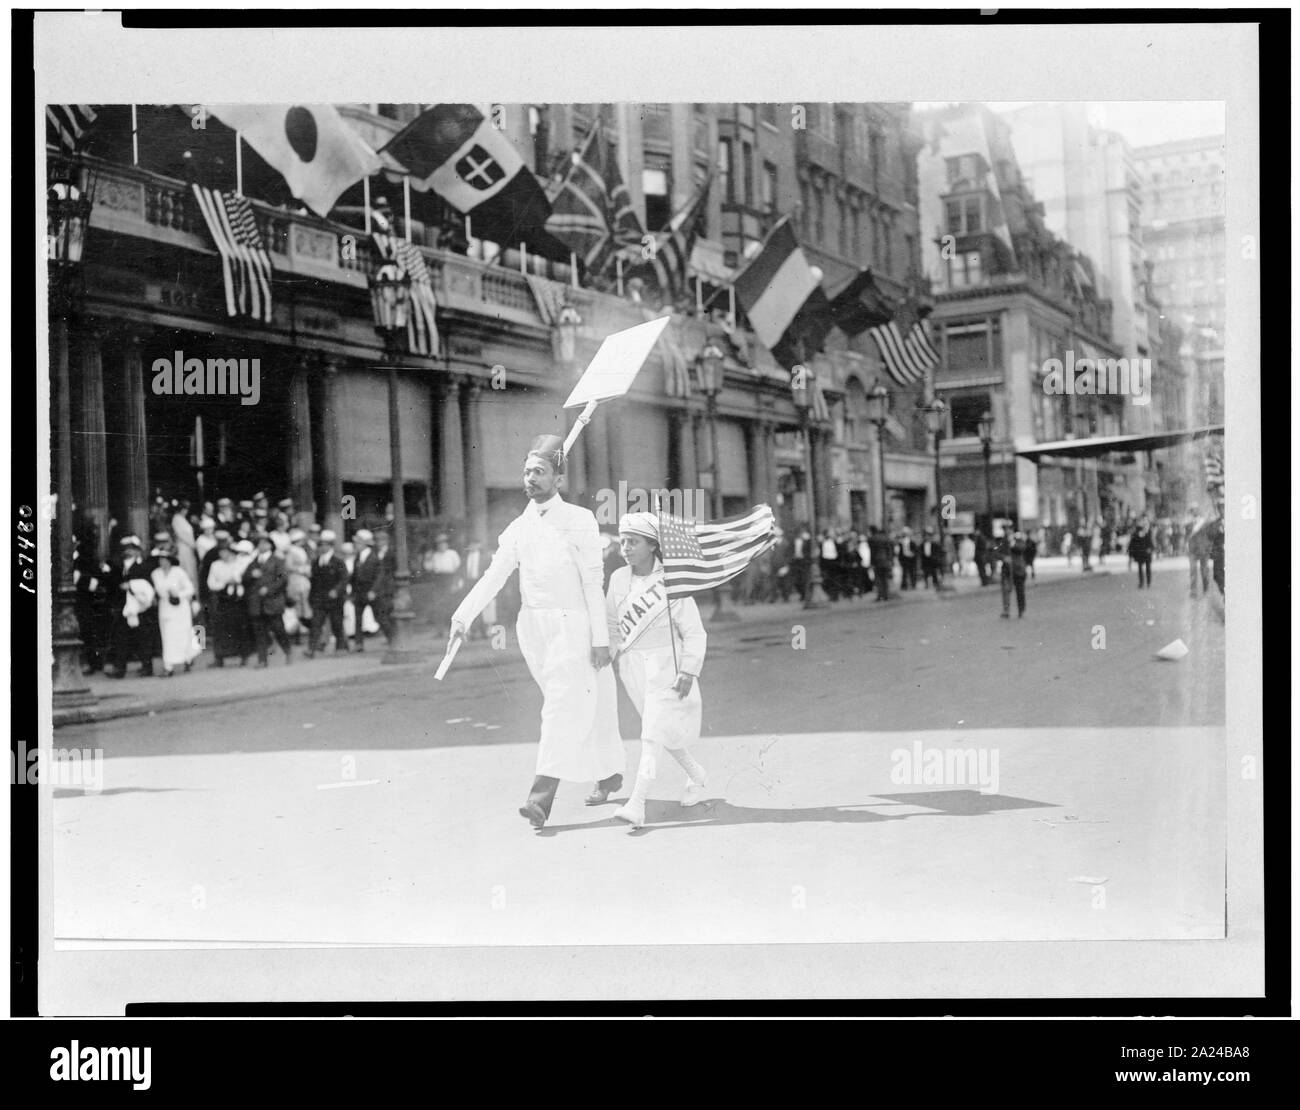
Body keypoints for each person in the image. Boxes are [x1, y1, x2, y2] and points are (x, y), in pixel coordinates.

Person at [448, 434, 625, 830]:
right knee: (582, 702)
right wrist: (463, 616)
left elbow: (593, 584)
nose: (530, 478)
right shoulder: (518, 528)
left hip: (573, 625)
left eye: (540, 472)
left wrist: (600, 639)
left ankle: (540, 798)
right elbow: (494, 575)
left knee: (561, 707)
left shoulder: (580, 520)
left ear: (558, 479)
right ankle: (610, 770)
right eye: (527, 471)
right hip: (534, 628)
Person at [605, 512, 710, 828]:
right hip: (633, 665)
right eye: (622, 541)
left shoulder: (672, 581)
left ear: (651, 546)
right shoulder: (618, 579)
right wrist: (610, 652)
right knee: (660, 728)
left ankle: (636, 804)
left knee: (651, 733)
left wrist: (689, 670)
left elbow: (693, 631)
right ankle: (696, 773)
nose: (625, 548)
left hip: (668, 663)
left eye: (633, 542)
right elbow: (612, 622)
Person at [106, 536, 157, 678]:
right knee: (121, 639)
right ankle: (119, 669)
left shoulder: (143, 567)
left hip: (140, 609)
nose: (128, 552)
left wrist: (131, 586)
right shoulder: (118, 567)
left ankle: (147, 668)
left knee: (143, 639)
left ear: (137, 551)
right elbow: (113, 585)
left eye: (131, 549)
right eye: (126, 549)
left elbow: (148, 588)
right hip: (123, 609)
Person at [245, 532, 292, 667]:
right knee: (260, 633)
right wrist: (250, 575)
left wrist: (269, 589)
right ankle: (262, 660)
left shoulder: (277, 561)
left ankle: (287, 650)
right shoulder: (253, 562)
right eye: (259, 543)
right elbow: (244, 578)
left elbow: (282, 579)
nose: (261, 546)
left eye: (264, 543)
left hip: (273, 601)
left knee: (278, 629)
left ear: (270, 546)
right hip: (257, 603)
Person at [150, 545, 198, 677]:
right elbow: (158, 591)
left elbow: (190, 589)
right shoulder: (155, 574)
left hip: (181, 608)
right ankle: (168, 666)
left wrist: (178, 594)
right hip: (166, 608)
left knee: (184, 634)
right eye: (160, 559)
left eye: (165, 559)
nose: (162, 562)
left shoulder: (178, 572)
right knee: (168, 637)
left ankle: (188, 659)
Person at [307, 530, 349, 656]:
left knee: (337, 623)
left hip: (334, 598)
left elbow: (344, 579)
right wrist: (312, 597)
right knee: (316, 624)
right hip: (319, 598)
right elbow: (313, 582)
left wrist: (336, 590)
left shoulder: (338, 561)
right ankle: (311, 649)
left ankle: (340, 647)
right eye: (320, 545)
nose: (322, 547)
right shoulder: (316, 562)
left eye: (325, 545)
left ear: (330, 546)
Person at [423, 533, 462, 636]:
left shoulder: (452, 554)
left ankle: (453, 629)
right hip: (439, 581)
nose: (442, 545)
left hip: (450, 579)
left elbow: (458, 570)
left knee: (451, 605)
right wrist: (428, 557)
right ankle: (440, 630)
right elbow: (428, 568)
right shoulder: (434, 555)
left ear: (447, 544)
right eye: (439, 544)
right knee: (439, 606)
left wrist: (456, 584)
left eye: (444, 543)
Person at [350, 529, 381, 652]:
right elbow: (354, 576)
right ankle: (359, 643)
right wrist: (352, 592)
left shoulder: (373, 557)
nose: (355, 545)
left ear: (364, 543)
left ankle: (392, 638)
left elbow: (378, 576)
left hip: (370, 591)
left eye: (358, 543)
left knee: (379, 616)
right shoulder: (358, 557)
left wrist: (374, 590)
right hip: (359, 592)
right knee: (358, 618)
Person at [284, 528, 313, 642]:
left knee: (305, 605)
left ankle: (306, 631)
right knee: (296, 606)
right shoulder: (291, 551)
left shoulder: (301, 550)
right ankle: (296, 635)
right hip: (295, 579)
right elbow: (288, 566)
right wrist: (300, 570)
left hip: (303, 579)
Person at [998, 529, 1030, 619]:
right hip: (1007, 570)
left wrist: (1012, 542)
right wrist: (1004, 557)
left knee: (1020, 592)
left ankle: (1021, 610)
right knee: (1006, 591)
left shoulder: (1018, 540)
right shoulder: (1003, 542)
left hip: (1018, 570)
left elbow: (1021, 549)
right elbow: (997, 551)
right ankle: (1006, 610)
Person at [868, 525, 894, 601]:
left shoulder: (872, 539)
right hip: (885, 561)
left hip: (877, 561)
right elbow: (889, 550)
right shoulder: (885, 538)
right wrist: (890, 560)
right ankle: (886, 595)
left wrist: (871, 563)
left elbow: (872, 552)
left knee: (878, 579)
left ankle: (880, 595)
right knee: (885, 579)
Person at [1128, 517, 1154, 589]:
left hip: (1146, 553)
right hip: (1140, 553)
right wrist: (1131, 554)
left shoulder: (1148, 533)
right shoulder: (1136, 533)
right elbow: (1132, 544)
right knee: (1141, 568)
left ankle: (1148, 582)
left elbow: (1151, 543)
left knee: (1147, 568)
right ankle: (1142, 582)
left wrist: (1150, 549)